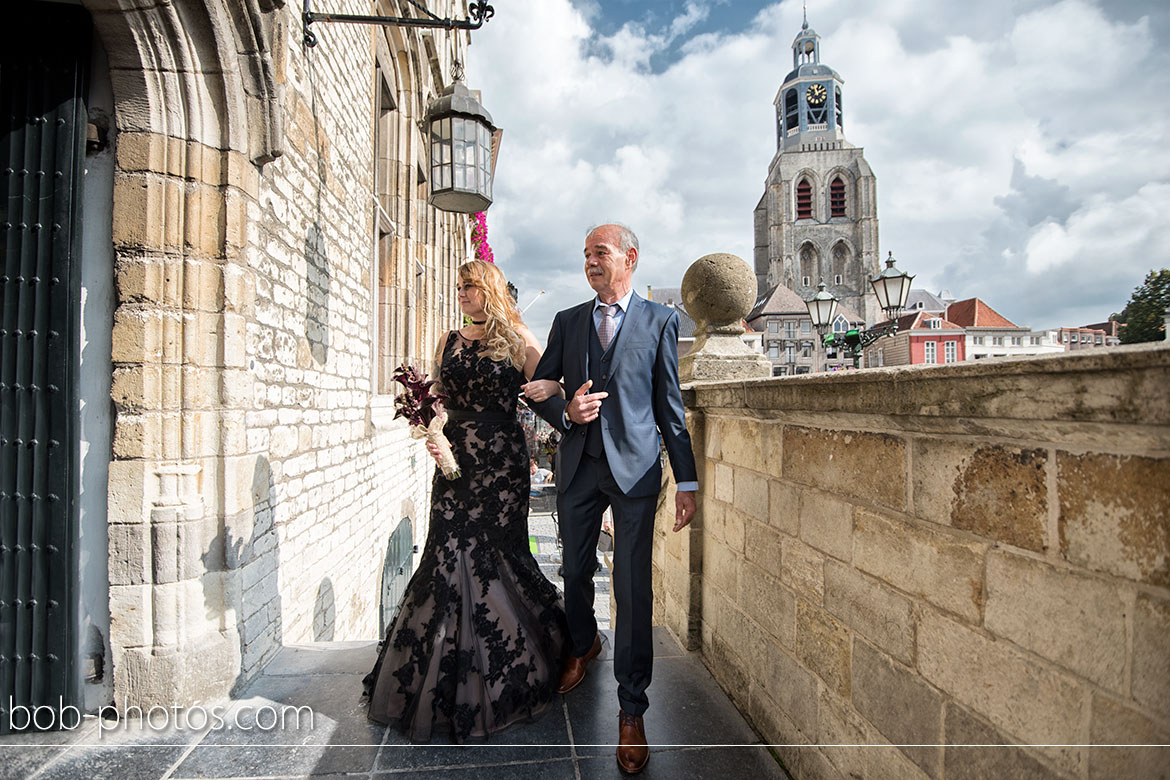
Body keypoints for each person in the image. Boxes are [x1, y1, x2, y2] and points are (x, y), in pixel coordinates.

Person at [362, 260, 569, 742]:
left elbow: (546, 388)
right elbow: (435, 396)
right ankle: (443, 671)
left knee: (497, 554)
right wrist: (427, 425)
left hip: (501, 465)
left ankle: (518, 662)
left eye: (469, 285)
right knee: (445, 553)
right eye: (458, 286)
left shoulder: (519, 338)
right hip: (453, 461)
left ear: (489, 289)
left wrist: (560, 390)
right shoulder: (448, 340)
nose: (461, 293)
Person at [522, 224, 698, 774]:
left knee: (630, 585)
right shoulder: (568, 321)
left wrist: (687, 481)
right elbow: (540, 386)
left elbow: (669, 407)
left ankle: (631, 708)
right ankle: (582, 645)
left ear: (630, 258)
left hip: (635, 472)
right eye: (585, 255)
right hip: (576, 467)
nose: (590, 263)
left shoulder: (661, 321)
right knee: (573, 571)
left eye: (599, 253)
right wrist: (565, 414)